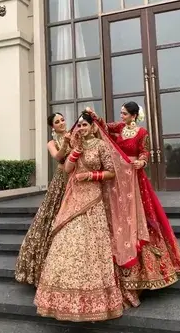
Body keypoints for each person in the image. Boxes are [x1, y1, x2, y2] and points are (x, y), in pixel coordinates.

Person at [85, 103, 180, 308]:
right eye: (121, 113)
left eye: (125, 113)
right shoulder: (119, 127)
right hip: (118, 178)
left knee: (140, 215)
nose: (121, 115)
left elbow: (145, 152)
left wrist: (142, 162)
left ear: (134, 115)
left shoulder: (142, 132)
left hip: (134, 178)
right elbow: (104, 128)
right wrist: (93, 116)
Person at [34, 112, 124, 322]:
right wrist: (75, 153)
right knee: (67, 241)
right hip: (73, 198)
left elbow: (111, 173)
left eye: (85, 125)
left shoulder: (101, 146)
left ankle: (95, 302)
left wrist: (92, 175)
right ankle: (61, 299)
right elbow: (66, 169)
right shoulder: (76, 145)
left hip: (93, 198)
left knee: (92, 245)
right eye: (80, 125)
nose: (81, 128)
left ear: (93, 127)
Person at [15, 113, 71, 287]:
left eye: (62, 120)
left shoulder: (75, 134)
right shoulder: (52, 143)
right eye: (57, 122)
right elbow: (59, 157)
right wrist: (67, 142)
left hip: (77, 178)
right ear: (52, 127)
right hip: (61, 181)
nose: (61, 123)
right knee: (52, 214)